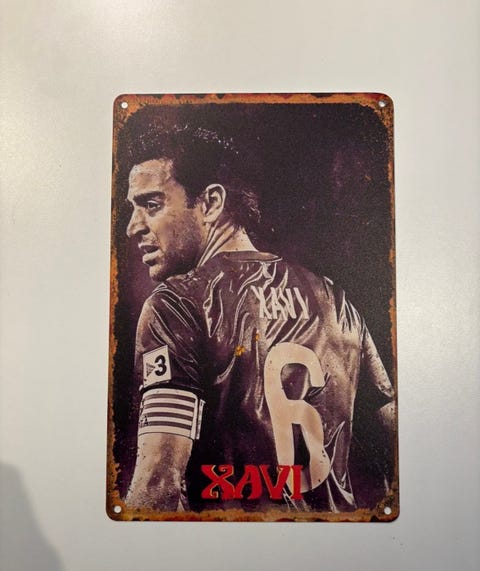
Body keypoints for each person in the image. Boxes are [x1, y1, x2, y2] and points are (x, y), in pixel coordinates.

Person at [123, 124, 395, 514]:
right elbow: (398, 449)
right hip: (336, 546)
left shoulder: (176, 304)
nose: (133, 227)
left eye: (151, 205)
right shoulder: (336, 299)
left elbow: (158, 486)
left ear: (211, 203)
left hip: (240, 547)